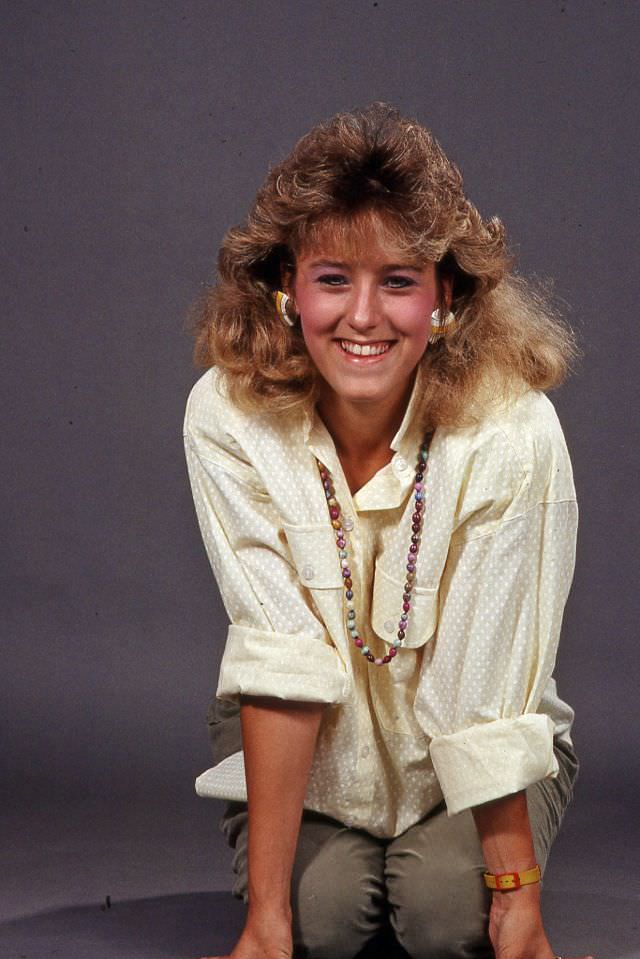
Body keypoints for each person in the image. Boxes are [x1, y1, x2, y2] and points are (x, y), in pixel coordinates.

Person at [183, 103, 592, 959]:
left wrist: (520, 923)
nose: (362, 316)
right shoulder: (228, 415)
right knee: (321, 926)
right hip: (316, 748)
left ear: (446, 296)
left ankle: (447, 876)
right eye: (333, 278)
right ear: (286, 288)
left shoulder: (512, 431)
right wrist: (266, 924)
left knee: (445, 920)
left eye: (398, 281)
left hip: (462, 765)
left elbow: (488, 695)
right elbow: (282, 656)